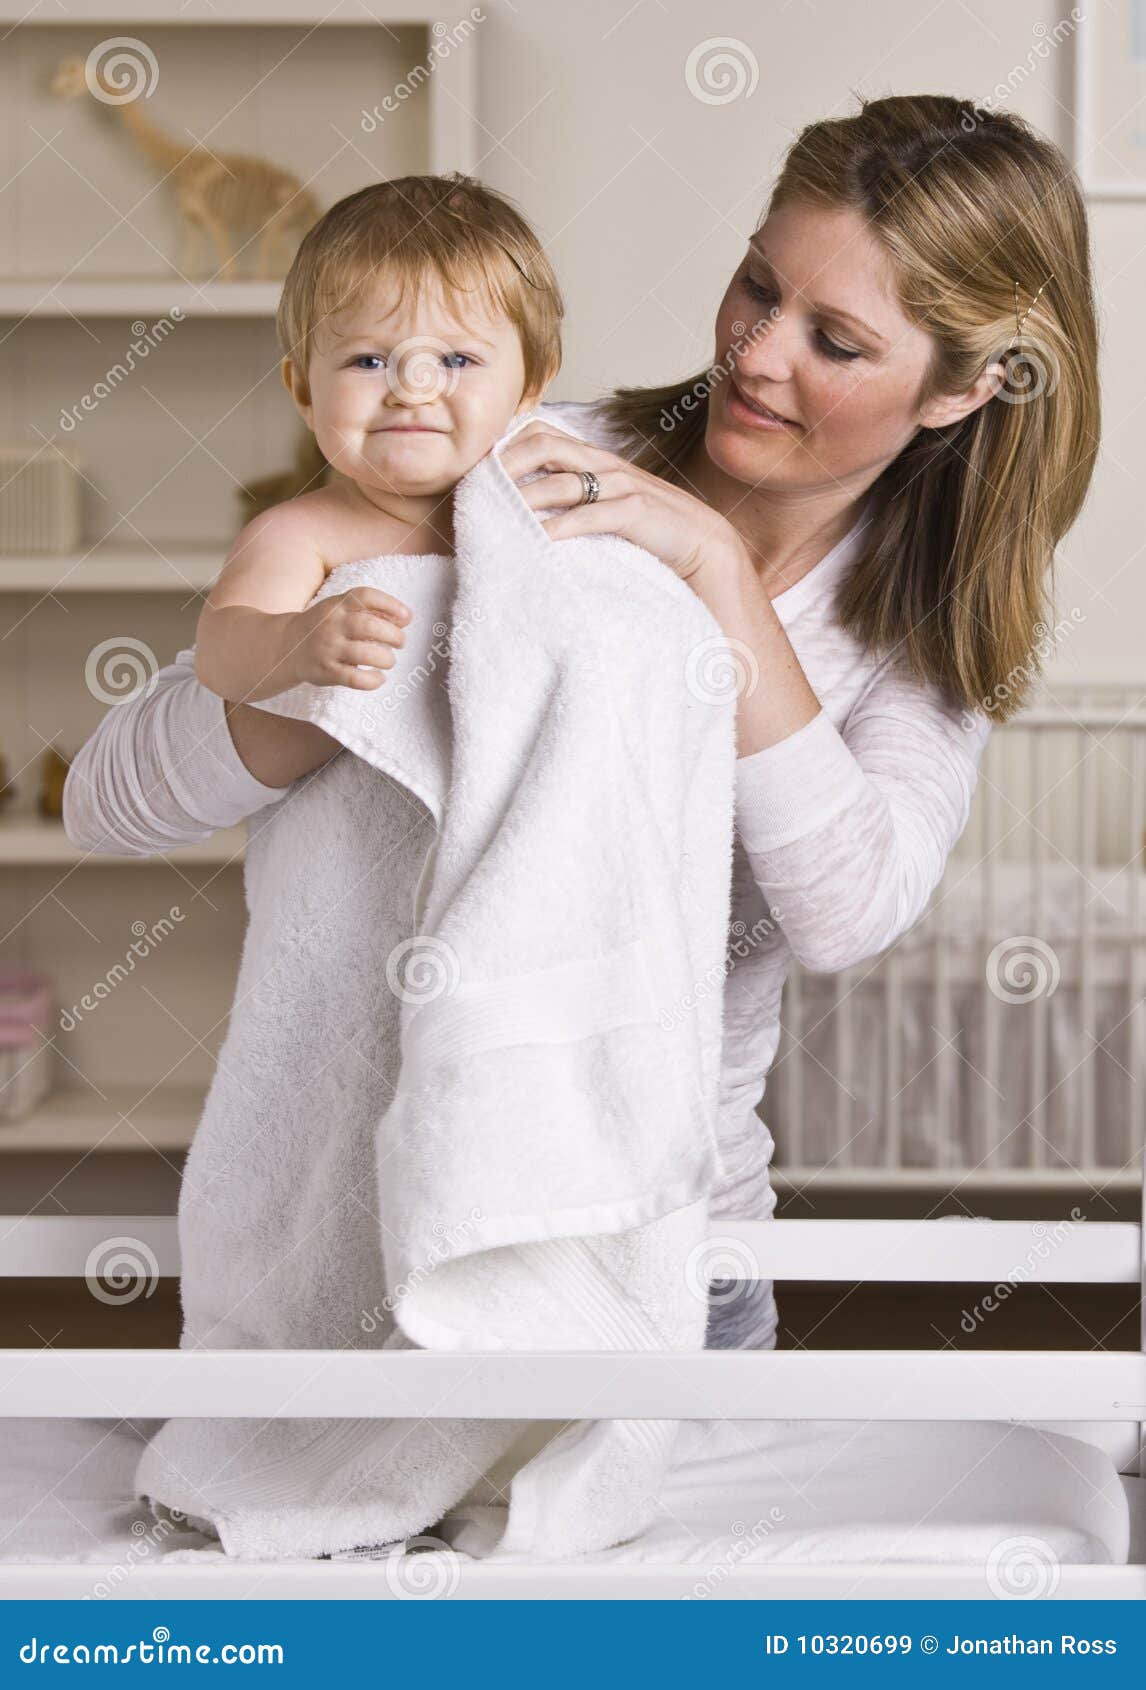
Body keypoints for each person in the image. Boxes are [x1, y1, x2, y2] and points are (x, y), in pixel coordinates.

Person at [64, 94, 1101, 1366]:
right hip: (375, 1225)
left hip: (664, 1250)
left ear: (961, 390)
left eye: (833, 339)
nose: (758, 354)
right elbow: (107, 799)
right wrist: (347, 678)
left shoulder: (915, 638)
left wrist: (715, 572)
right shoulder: (506, 464)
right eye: (755, 288)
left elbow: (844, 910)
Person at [192, 173, 561, 706]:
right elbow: (219, 652)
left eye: (457, 359)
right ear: (303, 391)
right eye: (369, 361)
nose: (413, 390)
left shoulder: (551, 506)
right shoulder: (301, 536)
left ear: (531, 382)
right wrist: (294, 643)